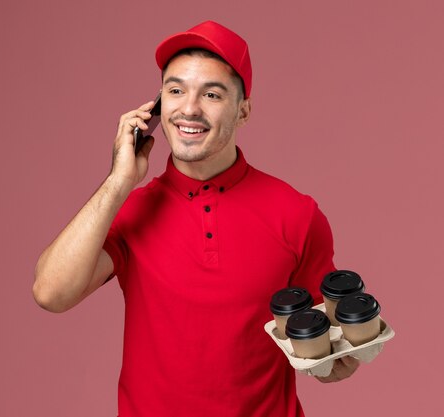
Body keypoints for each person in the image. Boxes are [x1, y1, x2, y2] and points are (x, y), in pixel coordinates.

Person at [34, 20, 359, 417]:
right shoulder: (132, 210)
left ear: (243, 112)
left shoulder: (297, 214)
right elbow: (50, 293)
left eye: (211, 93)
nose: (189, 108)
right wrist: (118, 182)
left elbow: (323, 345)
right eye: (175, 90)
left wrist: (337, 361)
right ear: (156, 106)